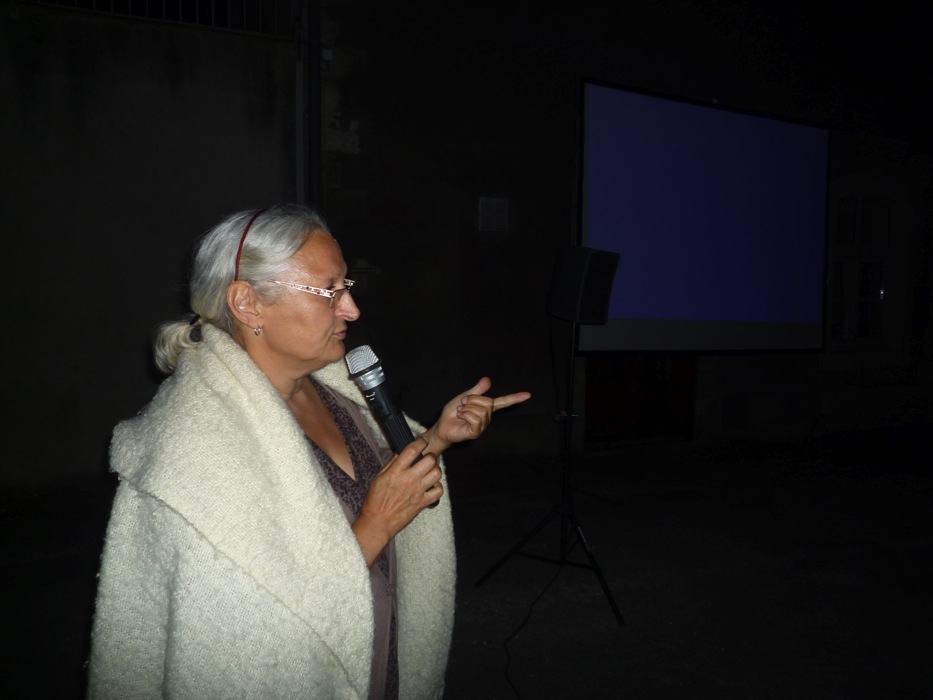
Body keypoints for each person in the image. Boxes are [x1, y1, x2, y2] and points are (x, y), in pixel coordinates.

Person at [87, 204, 531, 699]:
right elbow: (243, 643)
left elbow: (370, 486)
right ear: (248, 304)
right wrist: (376, 525)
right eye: (329, 291)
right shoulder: (194, 449)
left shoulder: (331, 391)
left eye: (347, 286)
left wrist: (436, 438)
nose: (352, 310)